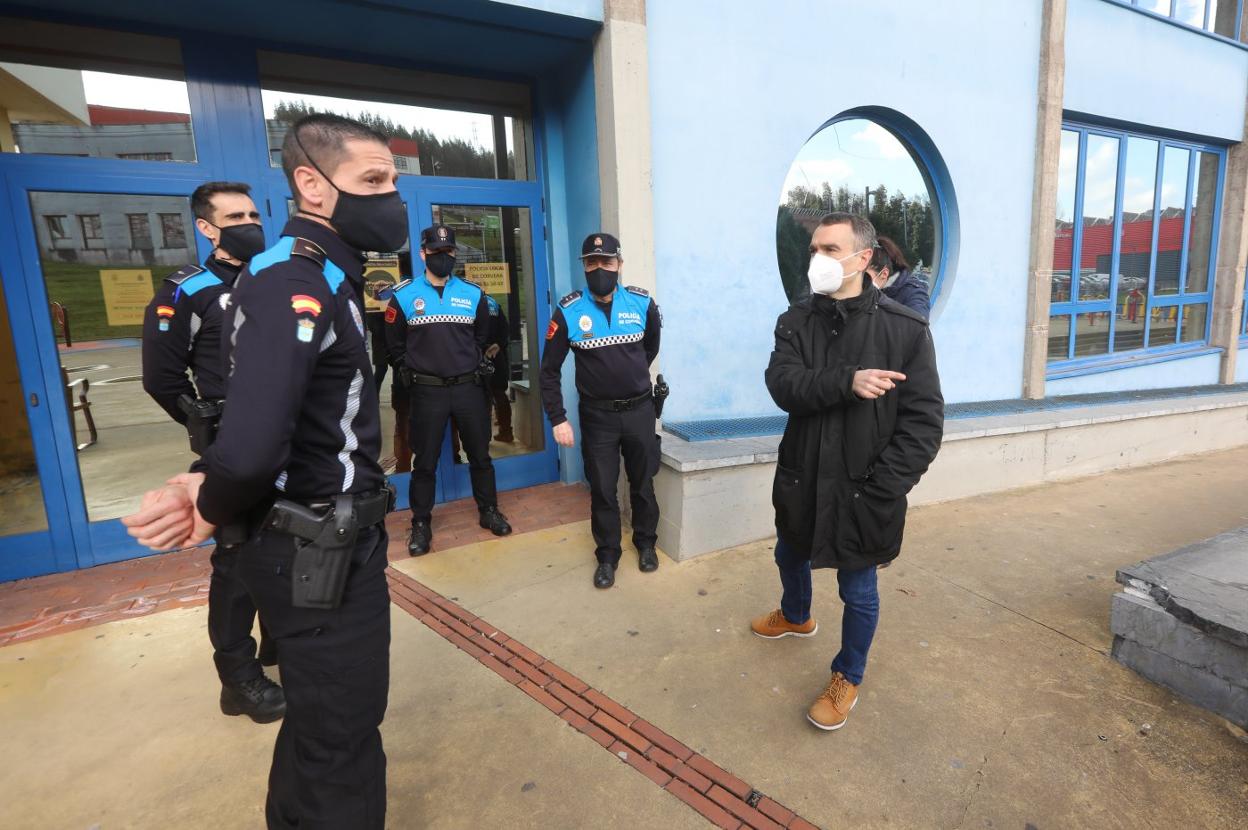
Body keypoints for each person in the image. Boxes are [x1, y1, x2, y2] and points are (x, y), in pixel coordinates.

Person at [124, 113, 402, 828]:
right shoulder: (292, 280)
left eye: (393, 181)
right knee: (341, 740)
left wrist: (210, 482)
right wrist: (214, 495)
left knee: (320, 728)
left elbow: (286, 419)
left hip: (328, 541)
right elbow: (252, 445)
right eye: (374, 180)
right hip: (317, 552)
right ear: (312, 184)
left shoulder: (325, 275)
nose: (390, 197)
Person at [751, 212, 943, 731]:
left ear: (863, 259)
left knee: (858, 591)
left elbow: (923, 423)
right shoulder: (795, 320)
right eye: (814, 248)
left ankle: (848, 676)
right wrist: (847, 381)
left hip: (865, 491)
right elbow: (783, 385)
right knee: (787, 552)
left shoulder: (904, 328)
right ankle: (796, 615)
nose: (818, 259)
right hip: (802, 478)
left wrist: (883, 488)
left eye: (830, 250)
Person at [140, 180, 284, 724]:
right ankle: (238, 680)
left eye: (253, 213)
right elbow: (161, 378)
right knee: (237, 561)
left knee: (280, 548)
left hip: (282, 441)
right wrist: (209, 428)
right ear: (207, 227)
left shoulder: (274, 279)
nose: (250, 223)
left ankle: (277, 646)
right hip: (231, 445)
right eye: (236, 216)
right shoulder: (188, 291)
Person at [540, 233, 662, 589]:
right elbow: (549, 370)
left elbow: (649, 349)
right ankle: (608, 556)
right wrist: (558, 418)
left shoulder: (642, 304)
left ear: (619, 265)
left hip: (640, 411)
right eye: (591, 263)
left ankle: (646, 544)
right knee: (603, 490)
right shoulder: (568, 310)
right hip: (598, 418)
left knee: (642, 484)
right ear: (584, 266)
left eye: (606, 262)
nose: (599, 269)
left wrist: (627, 377)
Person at [384, 224, 512, 555]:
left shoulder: (473, 294)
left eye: (448, 252)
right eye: (436, 252)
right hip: (427, 393)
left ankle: (488, 511)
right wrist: (413, 368)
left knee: (480, 455)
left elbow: (481, 337)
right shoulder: (404, 296)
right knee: (423, 461)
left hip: (468, 389)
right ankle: (421, 523)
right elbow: (394, 344)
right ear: (423, 253)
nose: (443, 257)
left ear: (455, 254)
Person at [865, 235, 930, 319]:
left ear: (884, 274)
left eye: (864, 275)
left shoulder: (913, 294)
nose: (859, 281)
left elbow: (917, 326)